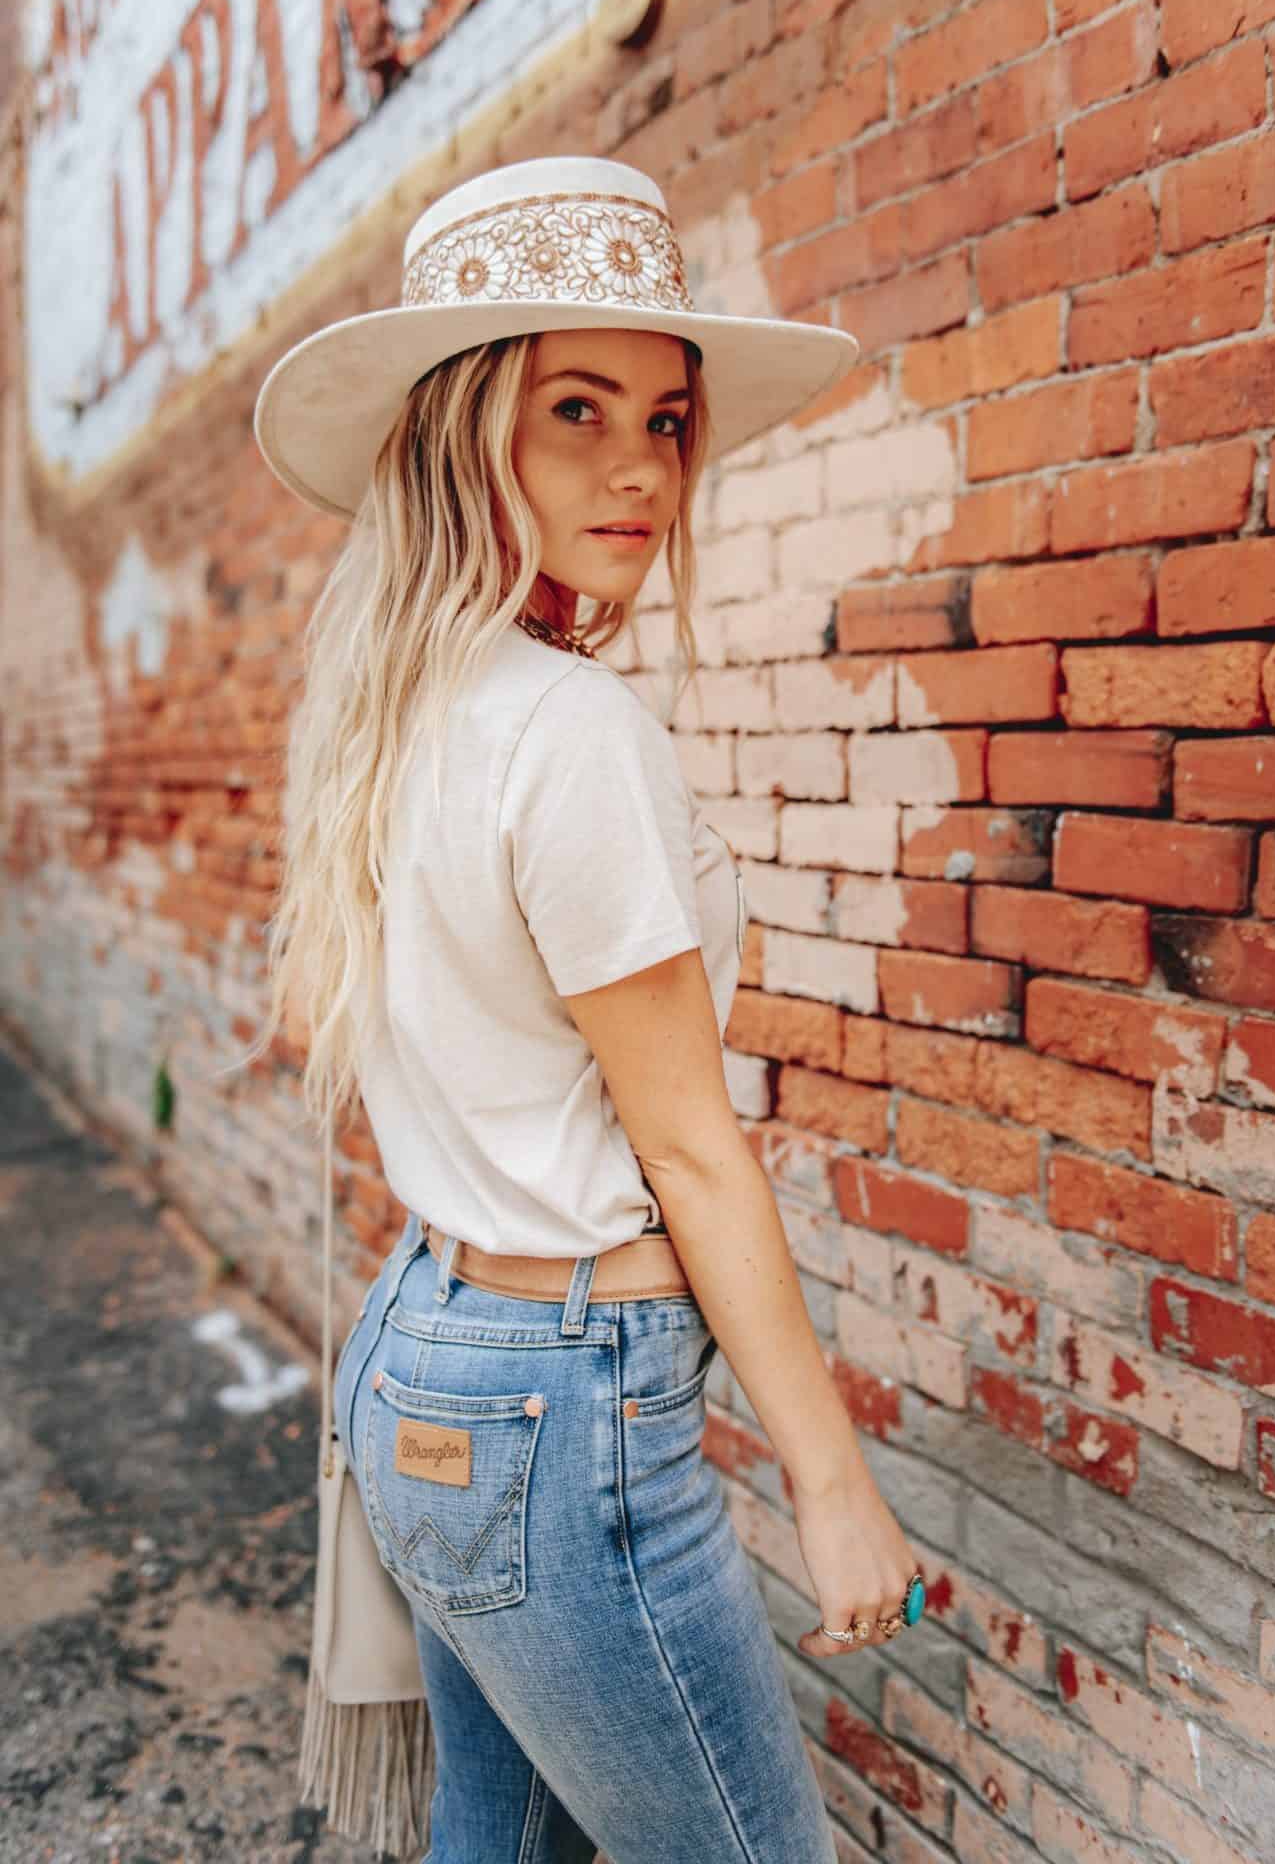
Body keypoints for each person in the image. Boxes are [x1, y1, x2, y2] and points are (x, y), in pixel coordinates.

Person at [248, 155, 923, 1864]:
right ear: (470, 430)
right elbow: (689, 1153)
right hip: (560, 1402)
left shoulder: (392, 702)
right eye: (576, 407)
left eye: (670, 420)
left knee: (505, 1846)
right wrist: (832, 1485)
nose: (639, 465)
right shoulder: (568, 733)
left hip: (429, 1356)